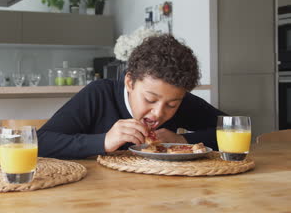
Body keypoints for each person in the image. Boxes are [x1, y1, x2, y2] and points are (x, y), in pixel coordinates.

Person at [37, 34, 226, 159]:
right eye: (150, 100)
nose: (159, 113)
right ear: (130, 82)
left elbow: (236, 130)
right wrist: (103, 141)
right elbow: (41, 142)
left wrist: (183, 141)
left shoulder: (181, 100)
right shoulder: (99, 94)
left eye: (172, 105)